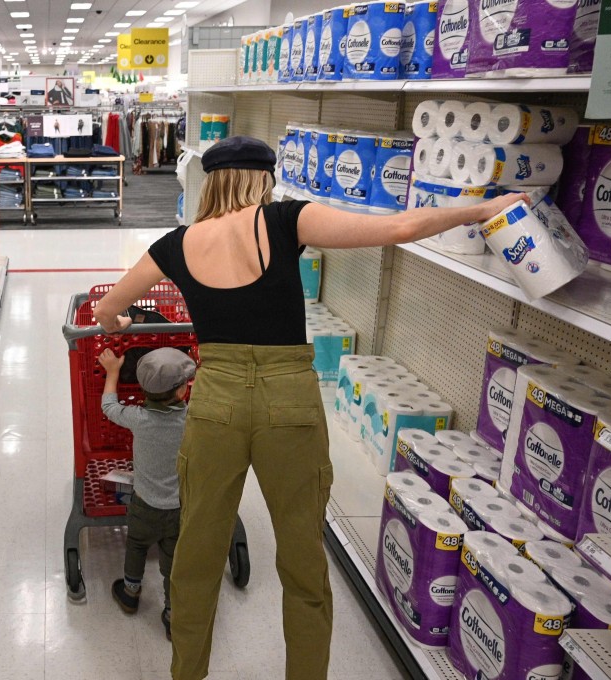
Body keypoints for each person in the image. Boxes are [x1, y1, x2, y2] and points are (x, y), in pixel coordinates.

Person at [91, 135, 527, 680]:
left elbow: (108, 310)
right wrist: (485, 209)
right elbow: (398, 228)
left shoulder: (176, 243)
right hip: (289, 402)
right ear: (262, 180)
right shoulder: (285, 221)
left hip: (216, 403)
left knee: (197, 559)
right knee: (302, 564)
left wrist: (123, 325)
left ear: (213, 182)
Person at [97, 346, 196, 641]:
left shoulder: (139, 418)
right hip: (178, 508)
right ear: (181, 393)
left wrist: (113, 371)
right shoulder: (192, 419)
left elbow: (109, 407)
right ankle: (171, 615)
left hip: (143, 502)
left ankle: (130, 592)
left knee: (137, 546)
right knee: (172, 563)